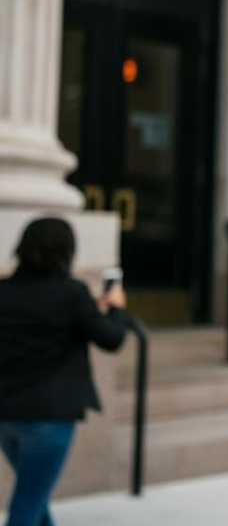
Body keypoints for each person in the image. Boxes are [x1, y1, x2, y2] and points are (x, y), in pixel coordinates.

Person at [0, 217, 127, 526]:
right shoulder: (71, 294)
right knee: (28, 505)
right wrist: (117, 308)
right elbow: (111, 339)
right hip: (49, 417)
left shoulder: (4, 291)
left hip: (6, 414)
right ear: (67, 251)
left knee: (34, 495)